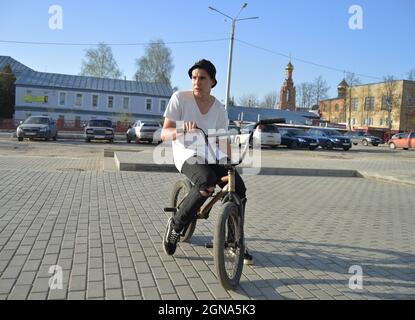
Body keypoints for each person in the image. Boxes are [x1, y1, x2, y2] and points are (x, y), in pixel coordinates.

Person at [160, 59, 253, 265]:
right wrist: (183, 129)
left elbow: (221, 140)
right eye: (194, 77)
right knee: (207, 182)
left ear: (212, 81)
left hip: (212, 154)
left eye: (202, 78)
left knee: (239, 188)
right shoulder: (179, 99)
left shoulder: (219, 108)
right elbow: (164, 133)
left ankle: (234, 240)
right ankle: (176, 226)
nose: (196, 82)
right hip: (187, 153)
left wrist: (233, 159)